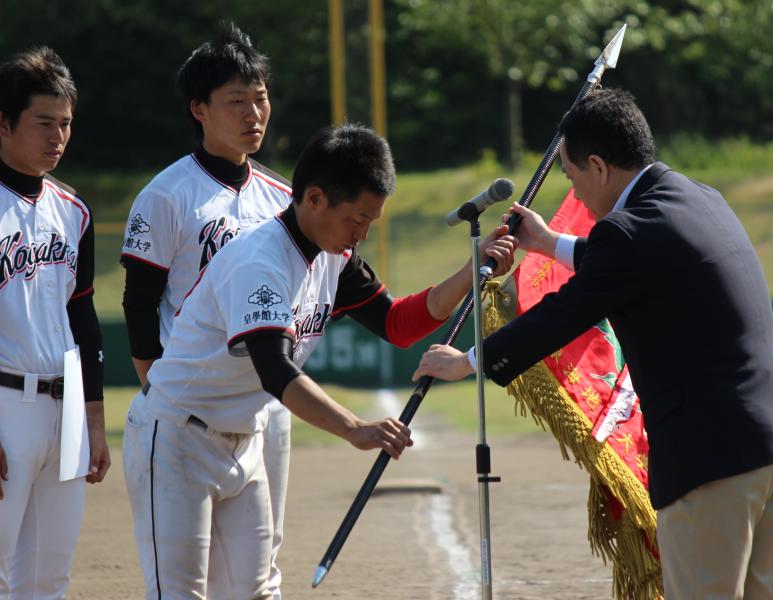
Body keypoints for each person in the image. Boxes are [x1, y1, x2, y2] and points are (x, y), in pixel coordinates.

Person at [414, 88, 773, 600]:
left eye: (573, 176)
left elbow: (563, 315)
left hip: (716, 462)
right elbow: (626, 265)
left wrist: (468, 361)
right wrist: (546, 243)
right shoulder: (696, 197)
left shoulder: (627, 233)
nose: (574, 194)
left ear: (598, 166)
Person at [122, 122, 515, 598]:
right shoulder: (258, 261)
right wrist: (355, 428)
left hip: (242, 443)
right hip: (177, 439)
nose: (362, 234)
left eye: (371, 222)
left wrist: (472, 272)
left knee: (258, 592)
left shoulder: (334, 253)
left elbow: (397, 324)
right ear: (314, 199)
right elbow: (277, 372)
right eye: (356, 220)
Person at [119, 23, 294, 598]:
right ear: (199, 108)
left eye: (260, 97)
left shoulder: (283, 200)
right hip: (190, 408)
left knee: (258, 571)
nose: (253, 113)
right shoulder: (168, 194)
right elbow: (140, 305)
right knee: (192, 579)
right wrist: (160, 388)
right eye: (236, 101)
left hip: (267, 405)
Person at [0, 47, 110, 598]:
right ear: (3, 122)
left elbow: (82, 316)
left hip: (65, 408)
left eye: (65, 124)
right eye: (44, 123)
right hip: (3, 403)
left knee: (49, 577)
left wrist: (94, 420)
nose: (58, 137)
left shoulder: (74, 210)